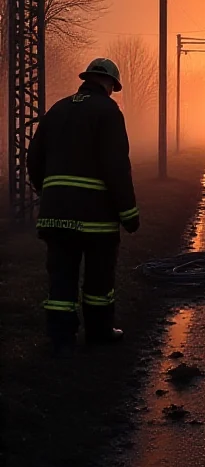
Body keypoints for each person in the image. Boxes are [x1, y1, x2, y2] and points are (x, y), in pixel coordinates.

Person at [26, 58, 139, 357]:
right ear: (110, 85)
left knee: (61, 278)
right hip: (95, 219)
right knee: (98, 281)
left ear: (87, 79)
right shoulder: (108, 112)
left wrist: (47, 190)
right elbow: (116, 166)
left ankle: (61, 340)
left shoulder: (58, 109)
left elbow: (33, 158)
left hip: (54, 215)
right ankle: (99, 332)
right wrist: (128, 212)